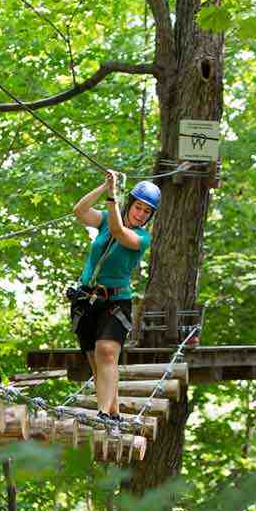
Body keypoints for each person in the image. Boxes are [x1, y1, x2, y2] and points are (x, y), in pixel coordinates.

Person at [70, 171, 159, 422]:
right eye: (138, 207)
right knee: (96, 361)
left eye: (146, 212)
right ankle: (114, 411)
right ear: (130, 204)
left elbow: (119, 231)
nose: (140, 214)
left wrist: (112, 195)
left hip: (116, 300)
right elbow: (80, 210)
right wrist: (105, 186)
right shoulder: (104, 221)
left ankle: (102, 414)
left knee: (107, 351)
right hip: (86, 299)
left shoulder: (141, 238)